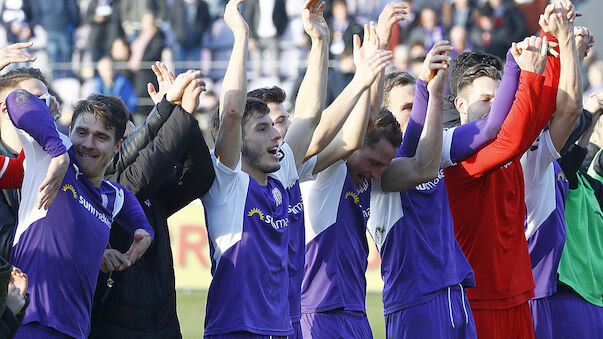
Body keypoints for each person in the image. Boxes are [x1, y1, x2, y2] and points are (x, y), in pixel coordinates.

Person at [201, 0, 329, 336]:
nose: (276, 134)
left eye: (274, 126)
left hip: (280, 330)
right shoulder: (227, 184)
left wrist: (319, 42)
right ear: (235, 142)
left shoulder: (279, 178)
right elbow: (231, 111)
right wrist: (241, 35)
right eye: (262, 128)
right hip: (237, 330)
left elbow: (310, 116)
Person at [443, 13, 559, 339]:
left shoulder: (511, 142)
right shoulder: (458, 158)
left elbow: (543, 109)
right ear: (460, 104)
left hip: (518, 293)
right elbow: (510, 140)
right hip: (479, 300)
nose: (497, 108)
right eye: (486, 101)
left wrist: (552, 43)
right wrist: (527, 72)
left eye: (501, 98)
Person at [7, 91, 154, 338]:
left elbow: (124, 198)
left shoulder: (111, 196)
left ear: (117, 146)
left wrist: (144, 230)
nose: (87, 143)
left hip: (76, 331)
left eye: (101, 137)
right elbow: (16, 99)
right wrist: (57, 152)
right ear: (70, 130)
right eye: (82, 132)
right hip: (30, 322)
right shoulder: (50, 156)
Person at [90, 67, 214, 338]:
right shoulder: (103, 185)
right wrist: (178, 112)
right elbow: (149, 165)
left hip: (164, 324)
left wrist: (181, 119)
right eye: (129, 141)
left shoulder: (152, 192)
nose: (135, 148)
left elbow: (199, 178)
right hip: (113, 328)